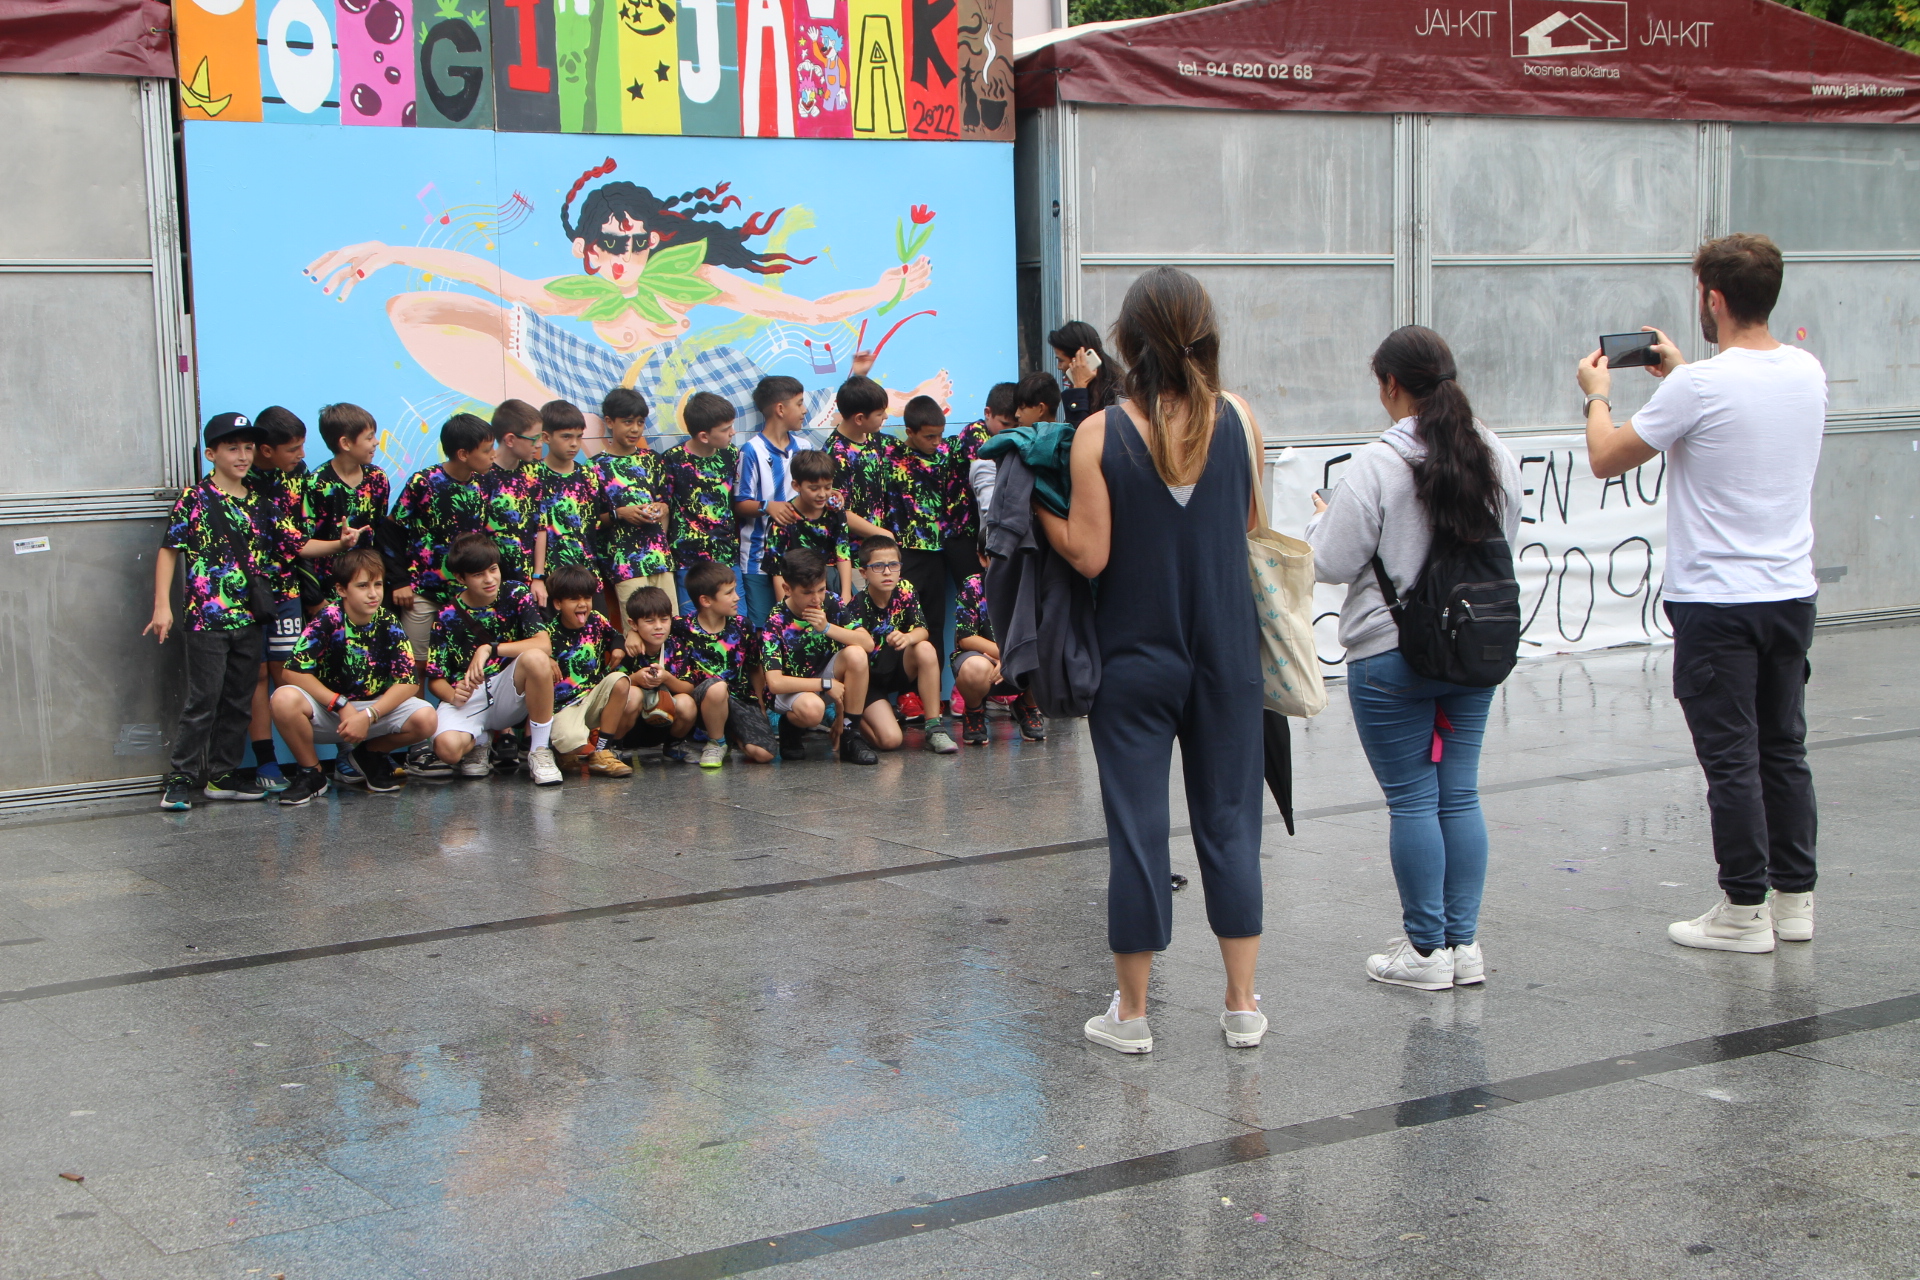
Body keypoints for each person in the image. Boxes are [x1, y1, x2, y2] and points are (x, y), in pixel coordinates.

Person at [1036, 267, 1266, 1054]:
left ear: (1126, 344)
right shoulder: (1240, 418)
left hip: (1134, 656)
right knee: (1231, 822)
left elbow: (1090, 555)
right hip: (1228, 653)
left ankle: (1132, 1016)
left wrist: (1038, 512)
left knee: (1137, 830)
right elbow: (1249, 525)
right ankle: (1241, 1005)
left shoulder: (1100, 433)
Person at [1578, 233, 1827, 952]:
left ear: (1713, 299)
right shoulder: (1806, 371)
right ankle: (1794, 902)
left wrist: (1599, 396)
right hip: (1790, 593)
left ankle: (1743, 909)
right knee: (1783, 748)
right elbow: (1735, 407)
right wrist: (1682, 373)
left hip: (1718, 602)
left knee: (1731, 757)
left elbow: (1605, 457)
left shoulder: (1698, 388)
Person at [1307, 326, 1522, 992]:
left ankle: (1426, 951)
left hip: (1391, 656)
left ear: (1392, 385)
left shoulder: (1377, 464)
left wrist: (1321, 518)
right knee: (1458, 795)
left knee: (1411, 800)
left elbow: (1327, 560)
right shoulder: (1496, 454)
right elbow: (1505, 542)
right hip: (1473, 650)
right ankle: (1463, 945)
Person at [147, 413, 365, 811]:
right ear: (211, 454)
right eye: (232, 448)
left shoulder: (261, 504)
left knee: (239, 698)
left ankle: (222, 775)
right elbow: (169, 549)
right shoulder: (195, 498)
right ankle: (180, 778)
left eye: (248, 448)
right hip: (206, 619)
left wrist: (340, 544)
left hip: (251, 618)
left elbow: (297, 545)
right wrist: (163, 605)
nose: (243, 455)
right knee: (203, 699)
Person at [270, 547, 436, 806]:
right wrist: (339, 703)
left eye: (378, 584)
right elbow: (292, 671)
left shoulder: (388, 621)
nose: (373, 593)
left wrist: (369, 715)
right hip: (331, 712)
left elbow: (408, 682)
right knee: (283, 698)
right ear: (341, 589)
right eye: (362, 586)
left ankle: (368, 756)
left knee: (426, 718)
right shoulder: (328, 618)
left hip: (372, 710)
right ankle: (312, 773)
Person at [423, 533, 563, 786]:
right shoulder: (446, 615)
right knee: (447, 749)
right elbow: (435, 677)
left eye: (493, 569)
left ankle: (540, 751)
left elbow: (543, 644)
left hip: (508, 690)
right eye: (478, 574)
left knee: (536, 658)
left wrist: (490, 648)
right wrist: (453, 695)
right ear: (461, 578)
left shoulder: (515, 592)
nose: (489, 579)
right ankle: (480, 739)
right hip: (468, 697)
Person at [244, 404, 314, 791]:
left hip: (288, 589)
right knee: (255, 675)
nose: (302, 455)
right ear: (267, 450)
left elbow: (304, 537)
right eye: (293, 449)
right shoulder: (238, 477)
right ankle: (266, 761)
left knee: (286, 673)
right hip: (246, 593)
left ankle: (310, 764)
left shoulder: (299, 475)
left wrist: (313, 594)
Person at [881, 396, 977, 675]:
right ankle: (903, 689)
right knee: (903, 620)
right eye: (929, 436)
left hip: (939, 551)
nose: (936, 441)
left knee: (934, 623)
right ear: (910, 432)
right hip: (906, 549)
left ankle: (930, 689)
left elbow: (976, 434)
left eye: (940, 434)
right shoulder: (890, 454)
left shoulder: (947, 451)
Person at [392, 413, 496, 666]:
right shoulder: (423, 482)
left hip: (466, 594)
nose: (494, 455)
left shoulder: (484, 483)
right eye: (486, 450)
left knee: (466, 662)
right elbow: (392, 531)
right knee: (415, 664)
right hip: (423, 592)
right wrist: (399, 581)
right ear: (463, 454)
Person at [758, 548, 878, 765]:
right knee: (813, 710)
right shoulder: (775, 621)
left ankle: (850, 735)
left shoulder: (830, 602)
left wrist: (827, 628)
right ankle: (790, 725)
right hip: (791, 689)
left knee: (857, 654)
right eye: (807, 593)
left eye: (821, 589)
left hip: (824, 677)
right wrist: (825, 684)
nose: (816, 599)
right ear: (787, 589)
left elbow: (868, 643)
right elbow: (775, 683)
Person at [660, 560, 776, 768]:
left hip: (738, 699)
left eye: (735, 590)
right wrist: (633, 635)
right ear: (706, 600)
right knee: (716, 687)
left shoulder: (743, 625)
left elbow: (755, 667)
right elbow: (651, 629)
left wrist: (761, 705)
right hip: (701, 700)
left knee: (763, 754)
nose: (737, 597)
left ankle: (730, 735)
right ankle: (717, 743)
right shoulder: (681, 626)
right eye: (729, 593)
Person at [847, 535, 956, 754]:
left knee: (925, 647)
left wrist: (908, 638)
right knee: (890, 741)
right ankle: (850, 724)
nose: (887, 572)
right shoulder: (856, 605)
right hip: (869, 682)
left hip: (898, 668)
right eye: (878, 566)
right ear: (864, 572)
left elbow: (922, 629)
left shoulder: (905, 589)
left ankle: (934, 726)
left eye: (893, 565)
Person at [543, 564, 635, 778]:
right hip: (564, 705)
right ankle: (560, 751)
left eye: (587, 597)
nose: (583, 604)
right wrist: (546, 658)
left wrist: (618, 648)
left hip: (593, 697)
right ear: (558, 603)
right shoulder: (549, 632)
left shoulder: (596, 620)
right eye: (574, 599)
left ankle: (602, 751)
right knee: (571, 741)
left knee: (620, 680)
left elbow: (616, 636)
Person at [594, 386, 675, 618]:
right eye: (628, 422)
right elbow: (590, 521)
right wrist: (620, 514)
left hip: (660, 558)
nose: (635, 429)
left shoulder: (652, 459)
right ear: (610, 422)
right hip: (625, 564)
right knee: (637, 628)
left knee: (669, 626)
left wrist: (661, 508)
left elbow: (665, 502)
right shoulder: (595, 467)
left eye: (640, 422)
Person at [735, 374, 808, 628]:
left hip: (798, 558)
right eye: (799, 403)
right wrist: (767, 506)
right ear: (780, 409)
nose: (804, 410)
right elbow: (739, 503)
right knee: (763, 628)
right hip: (757, 560)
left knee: (798, 628)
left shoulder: (805, 447)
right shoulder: (751, 450)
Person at [662, 393, 743, 612]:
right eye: (726, 429)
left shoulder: (732, 455)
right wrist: (664, 551)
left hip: (726, 556)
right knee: (693, 624)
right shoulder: (672, 459)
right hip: (688, 561)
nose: (733, 432)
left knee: (737, 620)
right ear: (704, 436)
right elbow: (664, 508)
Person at [949, 571, 1045, 744]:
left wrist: (1011, 658)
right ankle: (974, 711)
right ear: (982, 559)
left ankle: (1027, 705)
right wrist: (1005, 656)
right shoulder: (973, 584)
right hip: (983, 659)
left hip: (1024, 658)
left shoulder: (1033, 582)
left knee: (1051, 655)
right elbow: (966, 638)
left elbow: (1045, 634)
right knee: (974, 667)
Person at [762, 450, 855, 604]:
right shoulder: (784, 516)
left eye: (828, 487)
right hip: (798, 586)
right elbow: (777, 570)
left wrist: (846, 594)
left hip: (831, 582)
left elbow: (843, 554)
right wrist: (785, 608)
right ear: (796, 485)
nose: (822, 494)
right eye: (814, 488)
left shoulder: (835, 510)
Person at [614, 585, 696, 757]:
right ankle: (614, 747)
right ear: (633, 624)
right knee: (632, 694)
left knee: (687, 703)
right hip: (630, 727)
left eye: (664, 619)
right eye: (649, 621)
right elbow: (611, 686)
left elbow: (688, 687)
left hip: (664, 719)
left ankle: (673, 745)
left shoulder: (675, 645)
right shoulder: (628, 648)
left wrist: (666, 678)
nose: (658, 626)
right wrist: (636, 679)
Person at [479, 398, 546, 595]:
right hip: (489, 581)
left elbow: (541, 526)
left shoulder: (534, 471)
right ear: (510, 440)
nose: (539, 444)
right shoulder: (482, 474)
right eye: (534, 438)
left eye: (541, 437)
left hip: (527, 581)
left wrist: (538, 577)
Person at [532, 399, 598, 587]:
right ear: (546, 437)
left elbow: (592, 526)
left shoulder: (587, 475)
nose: (574, 444)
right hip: (549, 578)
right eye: (566, 437)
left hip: (585, 574)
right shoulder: (533, 475)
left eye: (579, 437)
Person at [823, 375, 893, 538]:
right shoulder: (835, 455)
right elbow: (839, 510)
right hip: (853, 548)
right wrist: (883, 535)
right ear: (860, 418)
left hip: (878, 542)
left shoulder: (874, 437)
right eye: (880, 413)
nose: (885, 417)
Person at [958, 380, 1018, 531]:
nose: (1010, 431)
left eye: (1016, 425)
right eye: (1005, 424)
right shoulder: (974, 433)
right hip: (964, 520)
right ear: (987, 413)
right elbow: (987, 475)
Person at [1049, 319, 1122, 426]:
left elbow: (1080, 431)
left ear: (1080, 358)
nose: (1059, 367)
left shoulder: (1114, 392)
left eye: (1061, 360)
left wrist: (1079, 389)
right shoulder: (1091, 387)